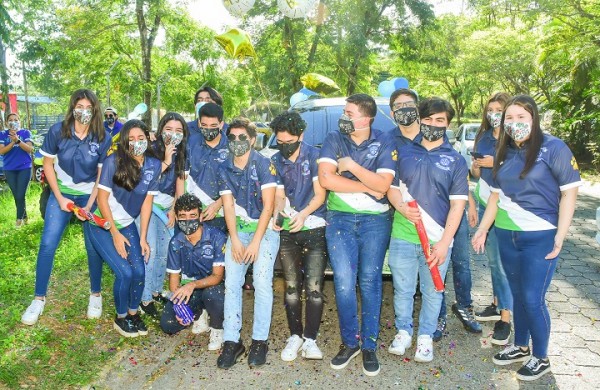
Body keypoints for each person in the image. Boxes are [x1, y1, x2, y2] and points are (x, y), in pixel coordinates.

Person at [472, 95, 581, 381]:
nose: (514, 122)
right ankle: (520, 346)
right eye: (509, 117)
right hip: (507, 236)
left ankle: (541, 356)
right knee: (518, 294)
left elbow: (570, 192)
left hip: (540, 236)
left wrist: (561, 235)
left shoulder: (553, 147)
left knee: (533, 298)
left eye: (521, 116)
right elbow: (495, 197)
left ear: (534, 118)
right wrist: (483, 229)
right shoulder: (503, 150)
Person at [318, 93, 396, 376]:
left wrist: (351, 167)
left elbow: (385, 183)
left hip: (376, 221)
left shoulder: (385, 139)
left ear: (366, 118)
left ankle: (370, 346)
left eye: (349, 113)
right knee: (343, 281)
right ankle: (350, 343)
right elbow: (326, 179)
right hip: (339, 220)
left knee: (370, 280)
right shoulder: (333, 137)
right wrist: (367, 186)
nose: (344, 117)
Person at [21, 89, 112, 326]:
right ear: (72, 108)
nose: (83, 112)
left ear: (95, 110)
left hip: (90, 196)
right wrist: (59, 198)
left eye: (88, 107)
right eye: (79, 106)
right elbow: (48, 165)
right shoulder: (57, 131)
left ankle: (95, 294)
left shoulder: (103, 135)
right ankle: (38, 298)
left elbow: (102, 175)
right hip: (61, 194)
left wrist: (91, 206)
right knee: (48, 243)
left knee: (93, 247)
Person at [386, 98, 468, 363]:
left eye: (440, 120)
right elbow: (392, 186)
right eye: (429, 119)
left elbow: (457, 206)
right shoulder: (403, 151)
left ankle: (425, 338)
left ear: (448, 124)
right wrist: (400, 206)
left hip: (437, 238)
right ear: (420, 120)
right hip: (403, 233)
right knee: (403, 288)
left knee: (434, 290)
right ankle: (403, 331)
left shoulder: (455, 160)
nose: (433, 124)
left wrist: (445, 243)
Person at [84, 119, 161, 337]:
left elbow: (147, 202)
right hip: (101, 224)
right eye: (131, 139)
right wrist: (115, 234)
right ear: (125, 142)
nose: (136, 143)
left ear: (148, 138)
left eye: (141, 138)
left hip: (128, 224)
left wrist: (143, 237)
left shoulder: (153, 165)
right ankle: (120, 318)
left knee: (139, 270)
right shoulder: (113, 161)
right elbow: (102, 198)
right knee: (125, 272)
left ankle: (133, 313)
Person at [216, 117, 279, 369]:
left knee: (262, 282)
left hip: (263, 232)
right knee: (232, 282)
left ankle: (259, 340)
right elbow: (228, 206)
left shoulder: (265, 164)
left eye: (243, 138)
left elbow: (268, 207)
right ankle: (232, 340)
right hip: (238, 232)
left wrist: (254, 242)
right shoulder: (224, 167)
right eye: (232, 138)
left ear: (253, 140)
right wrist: (234, 239)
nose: (237, 143)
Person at [270, 111, 328, 362]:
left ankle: (311, 339)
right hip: (289, 232)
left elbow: (320, 195)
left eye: (289, 141)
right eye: (280, 142)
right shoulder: (275, 160)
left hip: (314, 226)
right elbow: (280, 195)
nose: (285, 147)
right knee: (291, 287)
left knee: (314, 288)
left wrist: (302, 215)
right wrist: (278, 215)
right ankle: (295, 335)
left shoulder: (315, 157)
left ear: (301, 136)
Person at [471, 92, 513, 345]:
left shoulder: (515, 141)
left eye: (500, 109)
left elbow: (522, 169)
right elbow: (476, 173)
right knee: (493, 262)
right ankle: (497, 304)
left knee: (501, 263)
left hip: (508, 208)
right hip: (486, 202)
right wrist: (477, 168)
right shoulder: (484, 136)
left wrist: (494, 162)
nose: (494, 114)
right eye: (491, 109)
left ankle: (506, 319)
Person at [137, 112, 188, 317]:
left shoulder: (183, 152)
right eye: (169, 129)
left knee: (164, 252)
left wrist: (177, 210)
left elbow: (180, 185)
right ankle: (144, 298)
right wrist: (166, 159)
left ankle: (156, 290)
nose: (173, 135)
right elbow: (146, 182)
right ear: (161, 130)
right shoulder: (150, 150)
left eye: (178, 131)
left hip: (167, 209)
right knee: (149, 250)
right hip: (148, 207)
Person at [160, 193, 226, 351]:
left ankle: (217, 328)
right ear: (176, 217)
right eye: (183, 216)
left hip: (214, 286)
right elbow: (174, 284)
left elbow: (217, 276)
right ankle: (199, 313)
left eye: (193, 215)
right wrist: (179, 308)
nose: (188, 220)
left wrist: (192, 285)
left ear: (201, 217)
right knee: (168, 324)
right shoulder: (176, 243)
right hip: (192, 290)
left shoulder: (217, 237)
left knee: (213, 294)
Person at [179, 103, 229, 233]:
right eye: (204, 125)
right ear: (199, 124)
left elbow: (238, 183)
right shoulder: (190, 143)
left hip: (221, 212)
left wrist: (217, 205)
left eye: (213, 126)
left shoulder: (231, 147)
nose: (208, 129)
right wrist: (181, 209)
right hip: (191, 211)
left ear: (221, 124)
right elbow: (181, 177)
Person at [0, 112, 34, 227]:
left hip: (24, 168)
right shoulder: (3, 134)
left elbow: (29, 149)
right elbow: (2, 151)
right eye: (10, 120)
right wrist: (13, 141)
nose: (13, 122)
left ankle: (19, 220)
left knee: (20, 194)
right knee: (17, 195)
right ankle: (25, 217)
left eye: (16, 119)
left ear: (19, 121)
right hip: (9, 169)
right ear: (6, 122)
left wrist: (18, 140)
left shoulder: (25, 133)